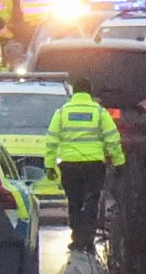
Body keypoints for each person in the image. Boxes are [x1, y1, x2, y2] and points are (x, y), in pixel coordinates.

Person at [44, 76, 125, 253]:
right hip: (94, 165)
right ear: (90, 92)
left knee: (74, 202)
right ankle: (88, 237)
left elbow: (51, 140)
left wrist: (49, 165)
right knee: (92, 201)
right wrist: (118, 162)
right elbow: (112, 139)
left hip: (69, 165)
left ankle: (76, 238)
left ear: (73, 91)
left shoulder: (62, 112)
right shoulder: (99, 113)